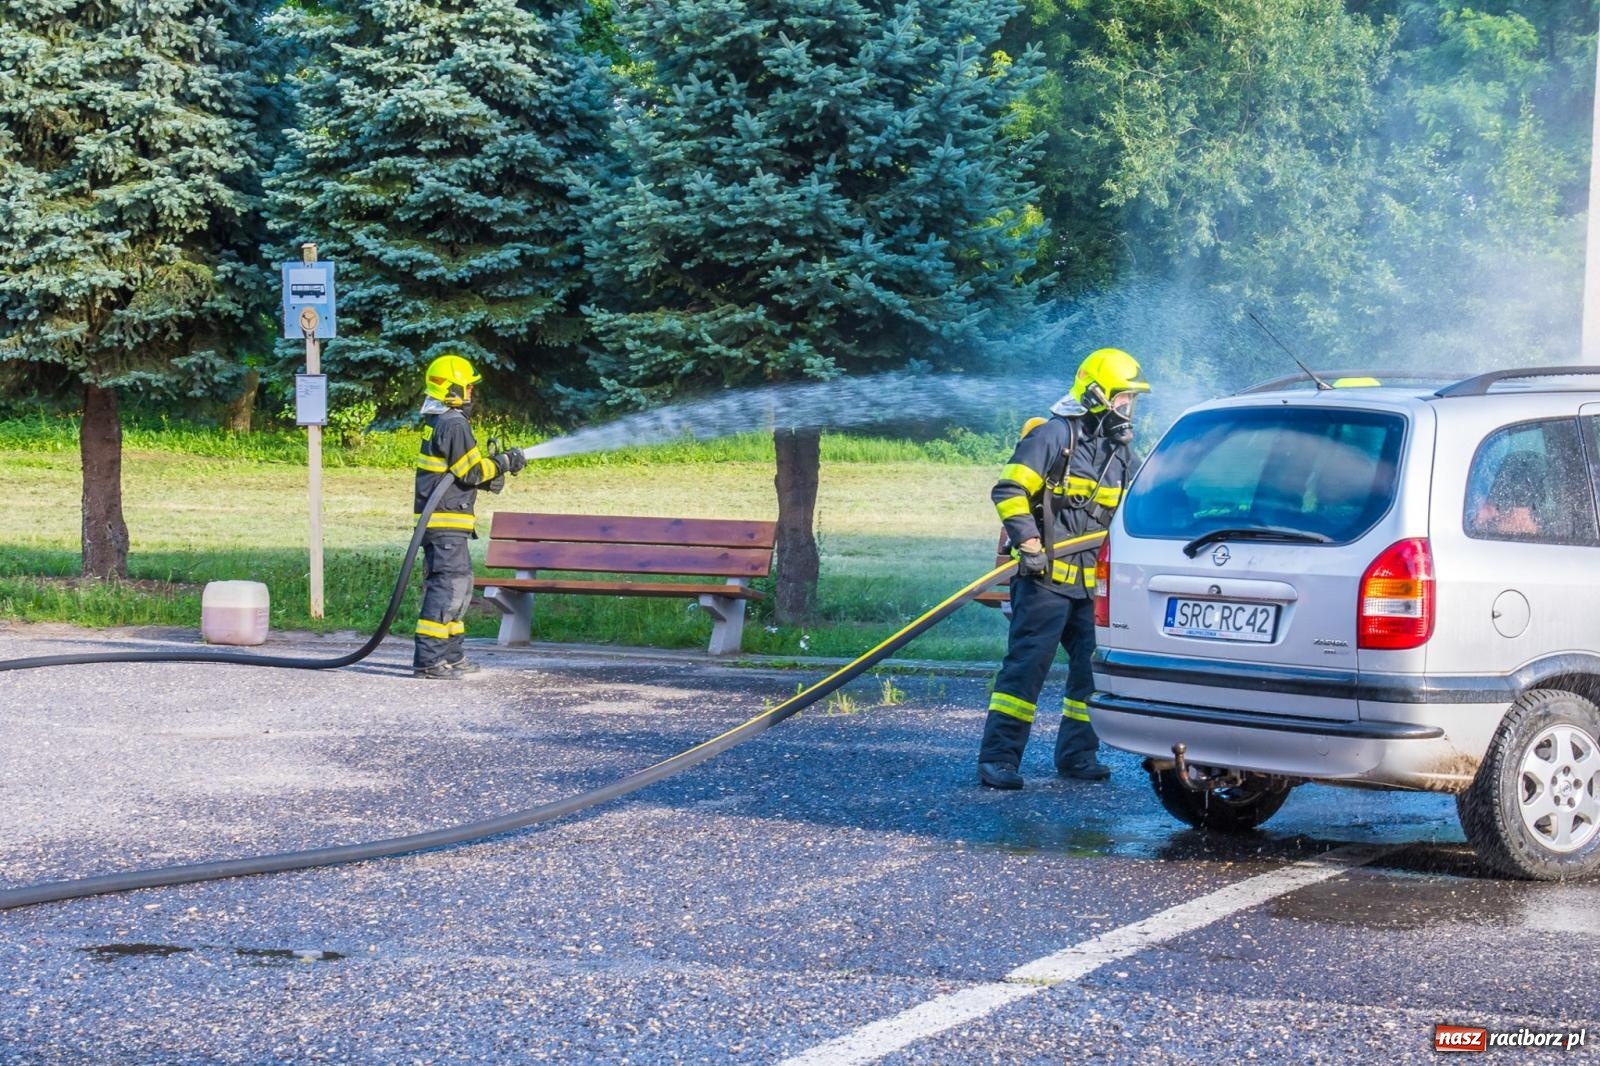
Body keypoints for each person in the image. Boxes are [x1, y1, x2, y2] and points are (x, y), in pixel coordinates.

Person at [977, 348, 1149, 789]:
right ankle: (999, 760)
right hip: (1045, 582)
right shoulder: (1055, 435)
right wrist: (1029, 542)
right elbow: (1010, 489)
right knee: (1025, 669)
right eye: (1123, 398)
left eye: (1131, 400)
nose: (1128, 409)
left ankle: (1077, 756)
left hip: (1091, 590)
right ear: (1097, 394)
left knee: (1090, 674)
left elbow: (1140, 506)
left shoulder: (1121, 453)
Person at [413, 352, 526, 679]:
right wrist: (504, 461)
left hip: (449, 522)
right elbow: (471, 472)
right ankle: (429, 661)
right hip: (445, 523)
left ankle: (452, 655)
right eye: (467, 387)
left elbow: (462, 471)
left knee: (459, 588)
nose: (471, 393)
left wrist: (494, 471)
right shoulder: (453, 422)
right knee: (447, 589)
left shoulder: (440, 420)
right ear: (451, 389)